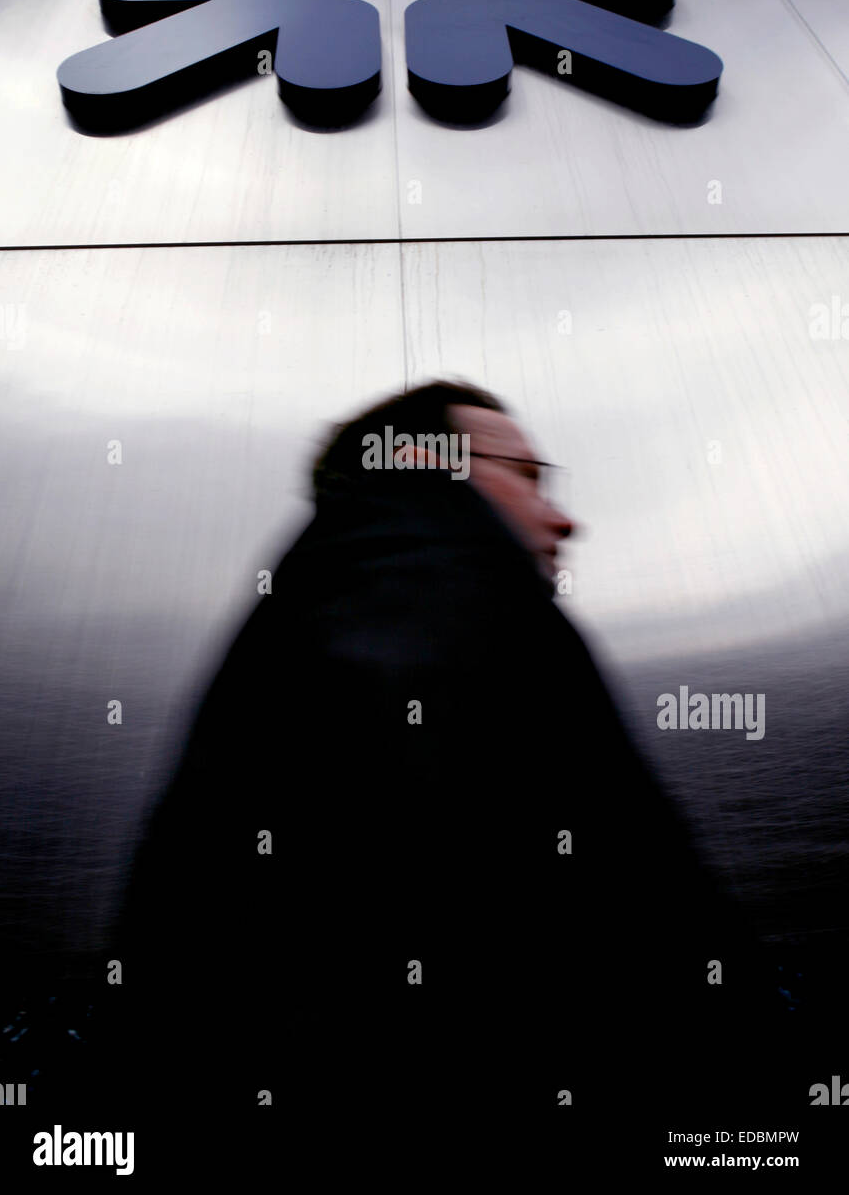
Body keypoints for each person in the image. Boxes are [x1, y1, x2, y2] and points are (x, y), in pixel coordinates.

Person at [107, 379, 771, 1176]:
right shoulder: (423, 575)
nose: (564, 517)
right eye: (526, 476)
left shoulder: (337, 591)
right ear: (424, 463)